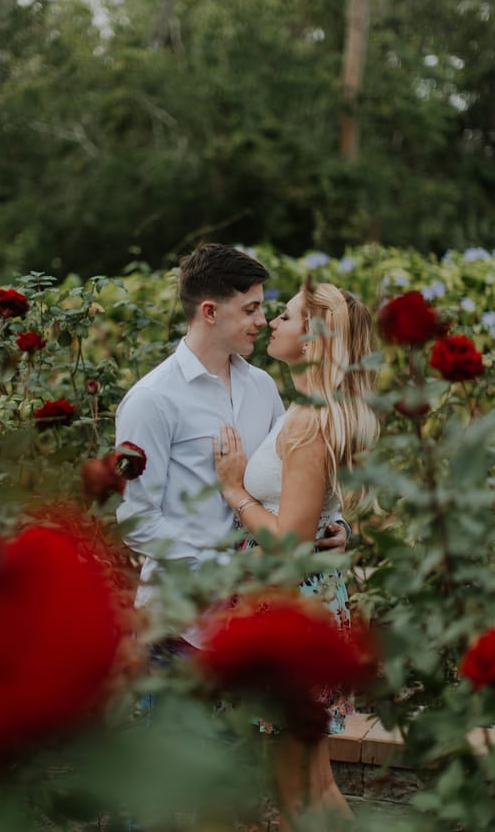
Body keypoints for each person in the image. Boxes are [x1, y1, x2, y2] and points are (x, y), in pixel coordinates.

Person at [213, 281, 379, 828]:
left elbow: (288, 541)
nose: (272, 324)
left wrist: (234, 489)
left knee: (298, 793)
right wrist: (338, 527)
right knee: (309, 784)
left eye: (285, 316)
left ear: (312, 340)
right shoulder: (305, 412)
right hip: (293, 600)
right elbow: (310, 516)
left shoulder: (307, 423)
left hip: (288, 606)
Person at [115, 244, 348, 620]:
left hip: (252, 616)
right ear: (210, 312)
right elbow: (137, 519)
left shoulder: (261, 386)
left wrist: (334, 528)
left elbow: (289, 479)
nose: (263, 319)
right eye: (250, 309)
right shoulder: (151, 399)